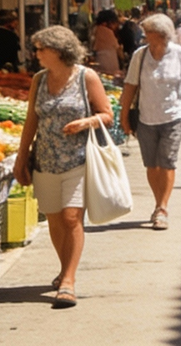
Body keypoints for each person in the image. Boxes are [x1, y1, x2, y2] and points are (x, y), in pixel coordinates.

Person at [13, 26, 113, 310]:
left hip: (78, 160)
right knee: (55, 221)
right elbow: (31, 120)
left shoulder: (86, 77)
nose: (36, 54)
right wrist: (22, 158)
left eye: (41, 49)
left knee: (71, 219)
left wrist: (86, 122)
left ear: (57, 50)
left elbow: (107, 114)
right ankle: (64, 267)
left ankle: (68, 281)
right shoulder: (39, 80)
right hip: (45, 160)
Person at [120, 13, 181, 229]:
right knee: (152, 165)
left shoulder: (179, 54)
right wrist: (124, 116)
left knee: (167, 162)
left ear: (163, 36)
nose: (146, 39)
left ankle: (162, 207)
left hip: (174, 116)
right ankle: (157, 201)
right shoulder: (140, 56)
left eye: (149, 36)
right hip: (146, 118)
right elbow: (130, 87)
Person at [90, 9, 121, 74]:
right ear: (106, 23)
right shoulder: (106, 31)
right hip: (109, 63)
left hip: (99, 61)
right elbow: (118, 50)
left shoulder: (94, 29)